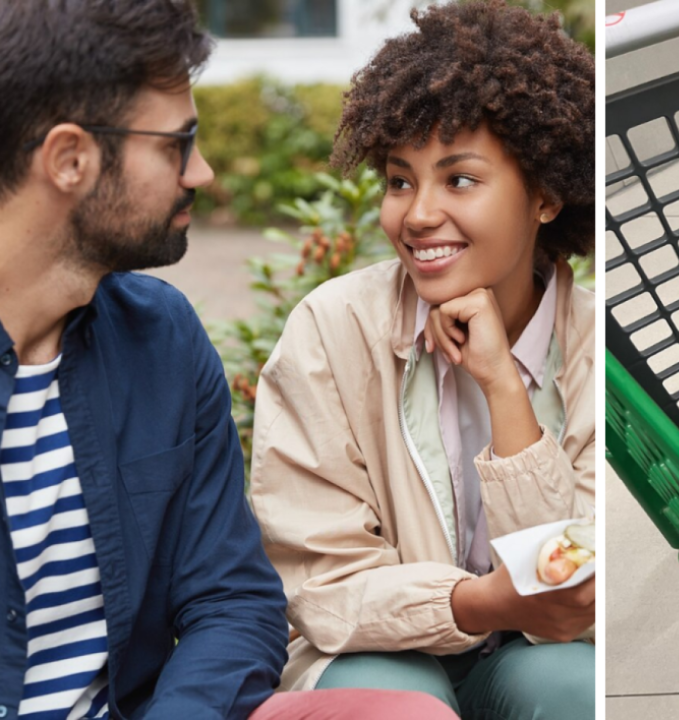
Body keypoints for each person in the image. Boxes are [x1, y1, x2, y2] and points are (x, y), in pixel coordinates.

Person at [0, 1, 457, 718]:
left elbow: (233, 601)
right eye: (176, 145)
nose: (202, 173)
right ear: (69, 159)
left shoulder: (163, 339)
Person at [248, 1, 597, 718]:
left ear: (545, 195)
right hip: (380, 656)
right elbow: (321, 583)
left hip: (538, 664)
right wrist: (473, 603)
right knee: (398, 700)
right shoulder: (331, 329)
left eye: (458, 180)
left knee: (567, 687)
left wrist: (504, 385)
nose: (416, 215)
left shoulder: (596, 344)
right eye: (400, 180)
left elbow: (574, 599)